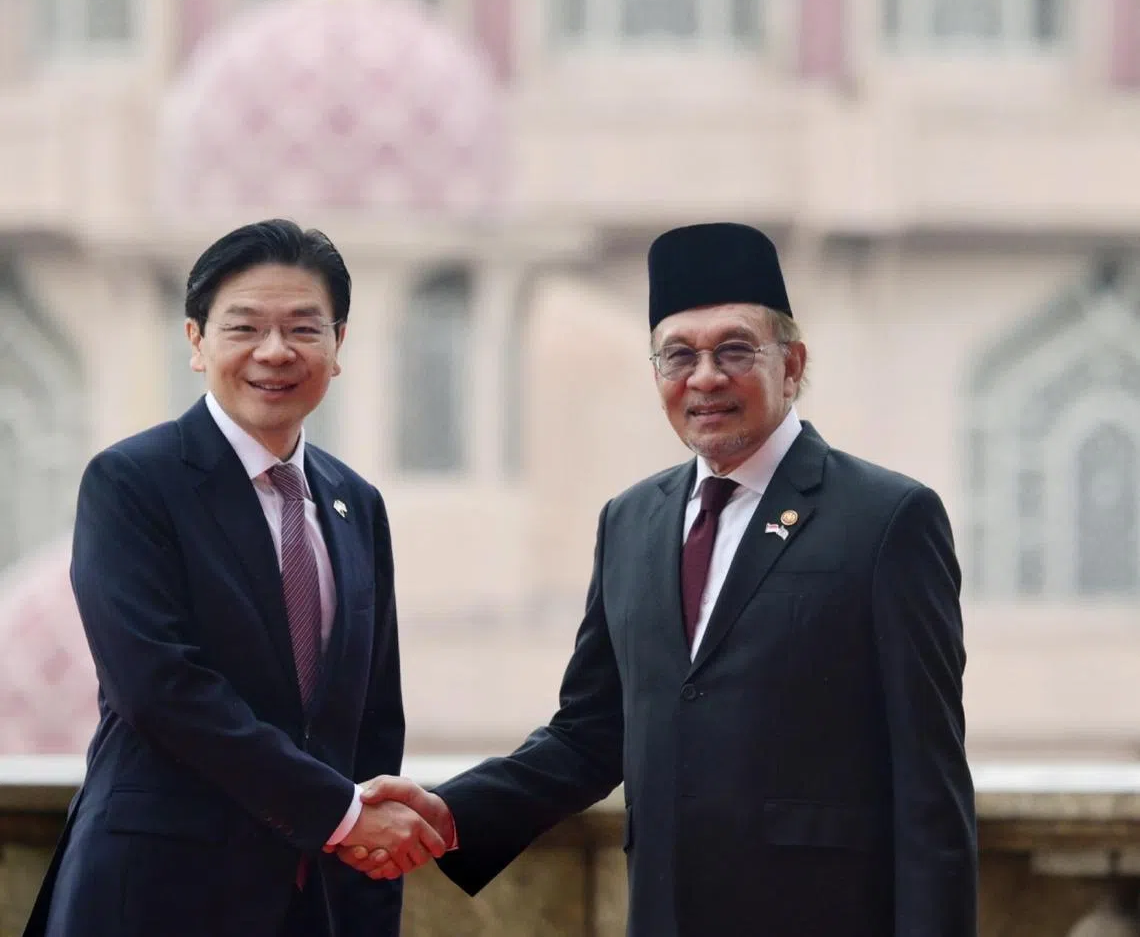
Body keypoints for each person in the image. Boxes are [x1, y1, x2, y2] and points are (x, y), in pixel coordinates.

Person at [347, 222, 978, 937]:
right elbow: (591, 733)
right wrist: (452, 812)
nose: (705, 376)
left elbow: (930, 786)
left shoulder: (887, 518)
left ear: (793, 364)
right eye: (679, 355)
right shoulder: (631, 522)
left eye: (735, 349)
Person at [23, 220, 444, 937]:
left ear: (338, 347)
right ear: (196, 342)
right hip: (158, 895)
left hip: (318, 902)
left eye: (304, 329)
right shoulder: (133, 482)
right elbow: (160, 688)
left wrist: (369, 878)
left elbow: (372, 717)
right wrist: (342, 816)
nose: (274, 352)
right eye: (244, 327)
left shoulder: (355, 504)